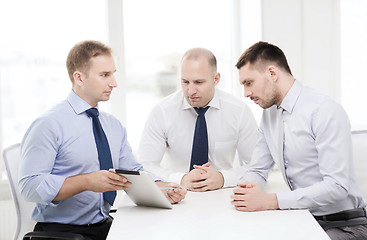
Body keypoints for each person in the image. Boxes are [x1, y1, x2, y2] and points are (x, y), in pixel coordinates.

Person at [19, 40, 186, 240]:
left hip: (103, 225)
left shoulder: (112, 126)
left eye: (113, 74)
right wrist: (86, 182)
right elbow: (29, 188)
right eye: (105, 75)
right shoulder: (49, 124)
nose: (114, 83)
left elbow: (132, 171)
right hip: (61, 233)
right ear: (79, 78)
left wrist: (163, 187)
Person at [231, 41, 367, 239]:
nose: (246, 94)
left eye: (249, 83)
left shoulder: (324, 111)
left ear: (272, 74)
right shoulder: (270, 115)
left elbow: (337, 186)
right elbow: (258, 168)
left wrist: (271, 201)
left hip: (346, 225)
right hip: (304, 219)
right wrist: (247, 192)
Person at [138, 48, 258, 192]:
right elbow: (145, 166)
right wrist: (180, 179)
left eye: (198, 82)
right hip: (175, 195)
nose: (190, 91)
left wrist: (223, 178)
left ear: (216, 79)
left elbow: (257, 165)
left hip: (223, 195)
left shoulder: (239, 112)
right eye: (185, 82)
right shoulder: (162, 112)